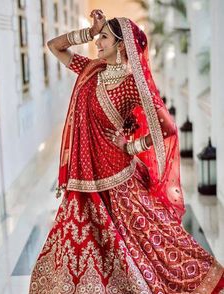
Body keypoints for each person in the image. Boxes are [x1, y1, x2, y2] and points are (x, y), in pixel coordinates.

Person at [29, 9, 224, 294]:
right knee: (84, 241)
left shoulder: (133, 82)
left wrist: (130, 145)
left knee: (146, 240)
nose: (98, 43)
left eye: (104, 37)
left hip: (118, 176)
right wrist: (90, 31)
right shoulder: (91, 69)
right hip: (85, 176)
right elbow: (54, 46)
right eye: (99, 37)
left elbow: (167, 127)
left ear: (122, 45)